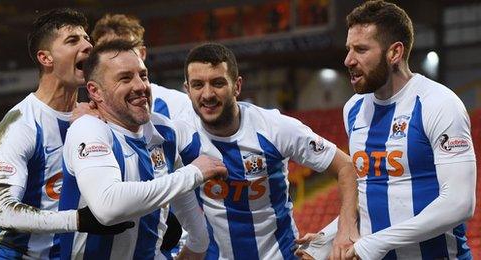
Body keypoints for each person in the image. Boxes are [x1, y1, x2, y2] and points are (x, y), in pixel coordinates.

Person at [297, 1, 476, 259]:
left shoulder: (439, 104)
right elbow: (371, 197)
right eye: (349, 49)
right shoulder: (354, 109)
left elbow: (459, 204)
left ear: (394, 53)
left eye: (361, 49)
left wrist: (373, 244)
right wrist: (329, 239)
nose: (348, 60)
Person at [180, 43, 359, 260]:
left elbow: (346, 166)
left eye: (218, 83)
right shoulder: (180, 136)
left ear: (237, 86)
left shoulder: (275, 128)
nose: (207, 94)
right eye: (198, 85)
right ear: (187, 90)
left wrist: (343, 229)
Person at [0, 8, 133, 259]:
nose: (88, 47)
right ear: (46, 58)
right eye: (73, 40)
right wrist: (78, 220)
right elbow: (4, 212)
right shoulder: (21, 124)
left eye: (87, 39)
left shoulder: (95, 118)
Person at [59, 39, 228, 259]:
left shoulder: (164, 131)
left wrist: (198, 240)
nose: (140, 86)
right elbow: (107, 207)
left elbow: (181, 194)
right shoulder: (89, 129)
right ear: (95, 91)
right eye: (125, 78)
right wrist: (192, 173)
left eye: (143, 75)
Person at [91, 13, 192, 120]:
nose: (118, 56)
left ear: (142, 53)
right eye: (107, 49)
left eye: (127, 48)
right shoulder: (86, 114)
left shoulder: (177, 104)